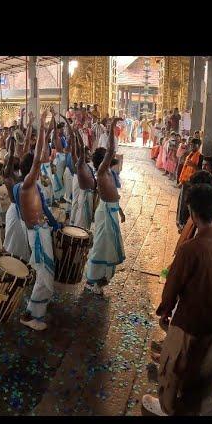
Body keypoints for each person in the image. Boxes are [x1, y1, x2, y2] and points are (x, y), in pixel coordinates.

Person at [142, 184, 212, 416]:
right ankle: (185, 402)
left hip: (188, 317)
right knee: (195, 364)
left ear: (192, 213)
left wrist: (165, 309)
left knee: (172, 365)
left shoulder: (190, 248)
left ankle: (167, 407)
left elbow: (173, 286)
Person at [17, 109, 62, 331]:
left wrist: (54, 224)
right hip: (36, 234)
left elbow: (43, 207)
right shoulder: (26, 185)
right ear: (29, 172)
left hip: (41, 230)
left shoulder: (32, 186)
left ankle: (39, 304)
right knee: (45, 275)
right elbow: (36, 160)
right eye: (34, 168)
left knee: (46, 273)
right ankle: (29, 314)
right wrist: (43, 128)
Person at [85, 119, 126, 296]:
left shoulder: (108, 172)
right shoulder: (101, 172)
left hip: (112, 210)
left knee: (108, 248)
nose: (111, 158)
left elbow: (114, 195)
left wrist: (121, 211)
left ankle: (100, 280)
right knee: (101, 248)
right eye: (107, 158)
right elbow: (110, 150)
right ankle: (91, 281)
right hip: (105, 212)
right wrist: (111, 128)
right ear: (102, 161)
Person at [3, 133, 31, 261]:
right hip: (14, 210)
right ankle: (11, 262)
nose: (15, 158)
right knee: (13, 239)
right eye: (11, 158)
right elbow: (10, 162)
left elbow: (23, 155)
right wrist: (11, 151)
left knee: (22, 239)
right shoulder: (8, 176)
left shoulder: (19, 174)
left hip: (22, 209)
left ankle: (21, 261)